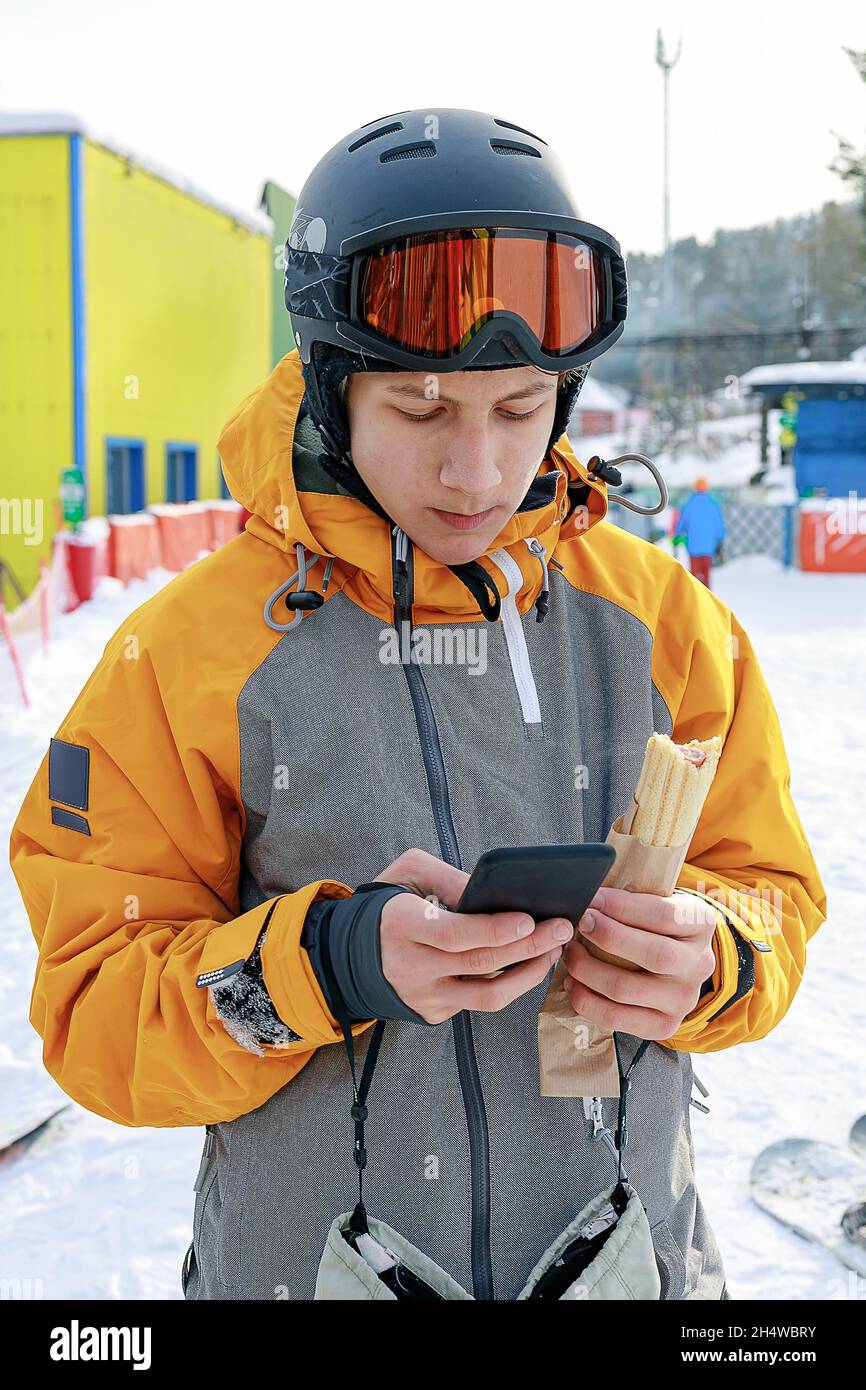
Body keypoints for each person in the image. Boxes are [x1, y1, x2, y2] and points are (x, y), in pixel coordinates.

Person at [9, 108, 826, 1302]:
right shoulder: (187, 655)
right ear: (333, 391)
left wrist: (717, 957)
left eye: (518, 407)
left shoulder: (662, 622)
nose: (477, 472)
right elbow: (91, 1009)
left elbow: (773, 895)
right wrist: (325, 967)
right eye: (422, 409)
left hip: (631, 1266)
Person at [673, 477, 725, 588]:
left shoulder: (688, 505)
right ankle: (707, 599)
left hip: (693, 547)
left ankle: (695, 599)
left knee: (695, 577)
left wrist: (677, 537)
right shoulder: (713, 505)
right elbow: (719, 527)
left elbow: (681, 525)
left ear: (695, 488)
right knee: (706, 576)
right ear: (706, 488)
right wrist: (720, 540)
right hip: (708, 547)